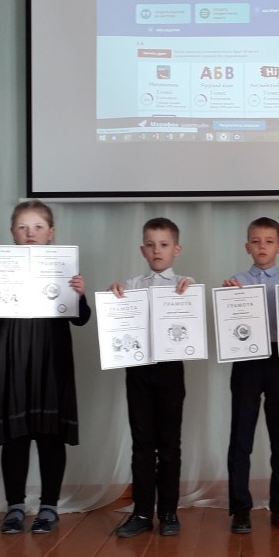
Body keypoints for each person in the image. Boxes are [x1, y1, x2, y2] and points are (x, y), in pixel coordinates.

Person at [0, 200, 91, 535]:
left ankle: (49, 507)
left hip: (52, 357)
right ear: (12, 232)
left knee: (51, 435)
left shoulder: (64, 269)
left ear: (51, 233)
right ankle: (15, 507)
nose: (30, 233)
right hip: (11, 356)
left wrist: (79, 295)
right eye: (23, 227)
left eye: (38, 227)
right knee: (15, 436)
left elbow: (81, 319)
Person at [222, 217, 279, 534]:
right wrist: (228, 297)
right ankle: (240, 510)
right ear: (247, 246)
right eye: (256, 241)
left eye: (269, 241)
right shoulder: (235, 282)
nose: (262, 247)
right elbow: (229, 324)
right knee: (241, 437)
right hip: (246, 359)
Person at [109, 218, 193, 538]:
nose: (157, 250)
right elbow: (119, 319)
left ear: (176, 250)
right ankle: (142, 512)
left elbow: (192, 319)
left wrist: (191, 293)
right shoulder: (131, 285)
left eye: (164, 245)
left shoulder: (185, 284)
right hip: (138, 370)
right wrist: (113, 297)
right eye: (151, 244)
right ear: (142, 249)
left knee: (170, 444)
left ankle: (169, 512)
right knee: (142, 444)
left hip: (170, 371)